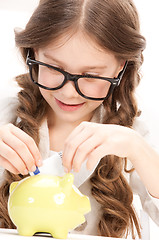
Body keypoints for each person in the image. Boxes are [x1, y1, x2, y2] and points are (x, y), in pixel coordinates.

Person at [0, 0, 159, 238]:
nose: (69, 92)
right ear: (33, 52)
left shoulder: (134, 137)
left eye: (91, 75)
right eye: (54, 67)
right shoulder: (6, 115)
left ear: (120, 68)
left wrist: (139, 150)